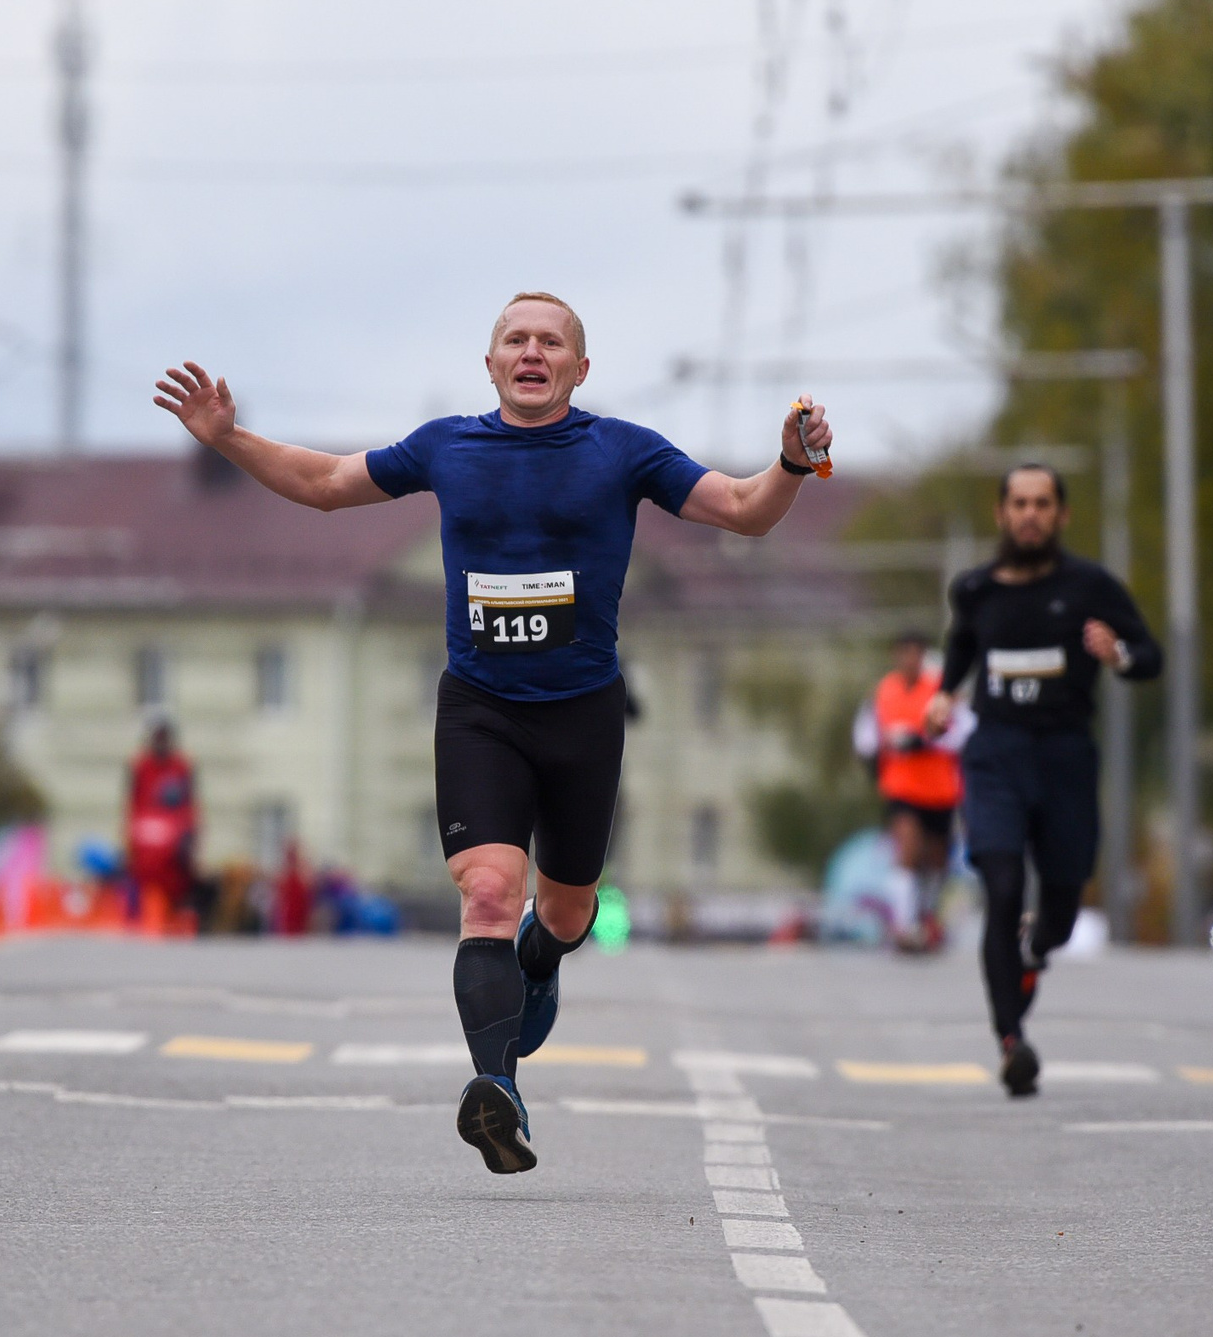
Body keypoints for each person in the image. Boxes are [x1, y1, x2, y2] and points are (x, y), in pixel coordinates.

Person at [155, 291, 830, 1175]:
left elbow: (743, 508)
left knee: (567, 908)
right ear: (491, 363)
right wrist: (230, 438)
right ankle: (496, 1089)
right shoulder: (448, 446)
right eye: (516, 339)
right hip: (480, 708)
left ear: (580, 368)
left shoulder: (622, 450)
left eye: (552, 342)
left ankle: (540, 958)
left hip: (584, 712)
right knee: (486, 888)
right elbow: (323, 486)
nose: (533, 351)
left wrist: (786, 461)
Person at [926, 463, 1159, 1098]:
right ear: (1001, 514)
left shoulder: (1091, 588)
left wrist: (1118, 654)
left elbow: (1151, 657)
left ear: (1061, 516)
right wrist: (946, 693)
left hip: (1064, 755)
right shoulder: (975, 589)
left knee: (1059, 905)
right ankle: (1010, 1042)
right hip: (996, 754)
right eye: (1019, 503)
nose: (1030, 514)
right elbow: (962, 647)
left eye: (1043, 503)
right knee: (1000, 887)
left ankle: (1037, 950)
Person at [854, 630, 966, 954]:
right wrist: (880, 757)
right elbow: (866, 737)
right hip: (901, 787)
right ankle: (903, 927)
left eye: (915, 653)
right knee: (906, 850)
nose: (909, 659)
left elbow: (962, 732)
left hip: (940, 789)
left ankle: (926, 916)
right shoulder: (883, 691)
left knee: (935, 861)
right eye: (903, 652)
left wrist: (923, 741)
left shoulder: (941, 691)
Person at [125, 717, 197, 922]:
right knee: (140, 881)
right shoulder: (141, 767)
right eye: (158, 737)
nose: (161, 742)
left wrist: (189, 834)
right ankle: (139, 918)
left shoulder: (181, 767)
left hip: (173, 847)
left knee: (179, 881)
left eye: (164, 737)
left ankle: (176, 917)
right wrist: (131, 836)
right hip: (146, 845)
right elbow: (132, 804)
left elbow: (189, 804)